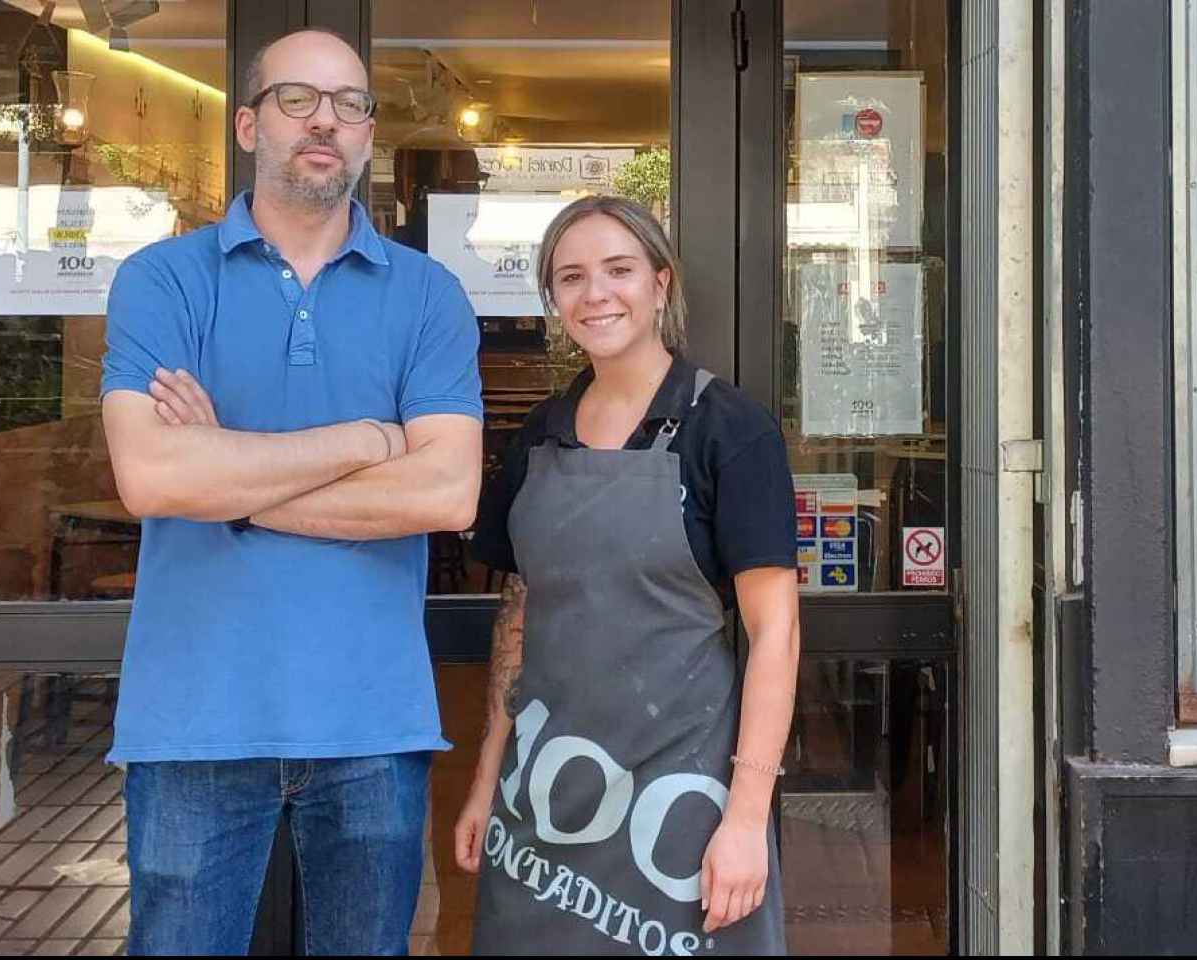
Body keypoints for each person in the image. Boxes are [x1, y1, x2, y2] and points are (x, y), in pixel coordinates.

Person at [99, 28, 484, 956]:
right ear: (247, 124)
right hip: (191, 717)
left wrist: (224, 470)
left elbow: (445, 494)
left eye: (351, 104)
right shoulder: (162, 280)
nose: (327, 121)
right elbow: (149, 474)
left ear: (368, 133)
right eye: (298, 99)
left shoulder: (428, 295)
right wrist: (361, 442)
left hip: (369, 717)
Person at [453, 196, 800, 955]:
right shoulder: (538, 437)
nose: (596, 293)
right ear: (552, 300)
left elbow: (775, 634)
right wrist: (486, 780)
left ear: (661, 283)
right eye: (571, 277)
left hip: (678, 804)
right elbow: (520, 614)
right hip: (545, 796)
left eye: (619, 270)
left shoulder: (731, 432)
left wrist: (745, 819)